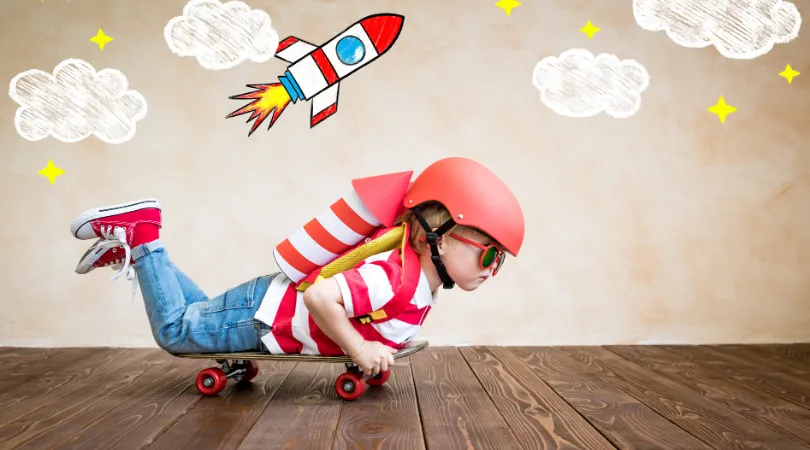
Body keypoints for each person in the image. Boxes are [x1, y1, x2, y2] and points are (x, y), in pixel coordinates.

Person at [69, 157, 525, 377]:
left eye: (498, 259)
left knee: (196, 314)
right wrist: (360, 350)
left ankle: (139, 257)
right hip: (264, 317)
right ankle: (143, 235)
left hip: (265, 308)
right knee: (175, 331)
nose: (491, 268)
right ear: (435, 240)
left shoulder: (414, 275)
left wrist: (367, 346)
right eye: (487, 253)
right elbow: (318, 295)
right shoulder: (394, 277)